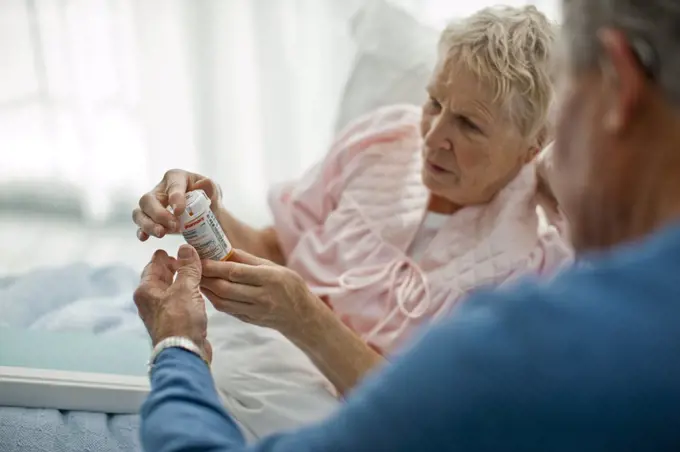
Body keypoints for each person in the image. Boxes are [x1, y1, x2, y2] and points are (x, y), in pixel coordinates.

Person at [134, 0, 680, 449]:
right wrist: (205, 213)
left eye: (469, 124)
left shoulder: (534, 264)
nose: (433, 135)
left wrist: (305, 318)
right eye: (435, 101)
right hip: (257, 362)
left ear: (532, 147)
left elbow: (427, 422)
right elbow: (279, 247)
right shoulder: (381, 142)